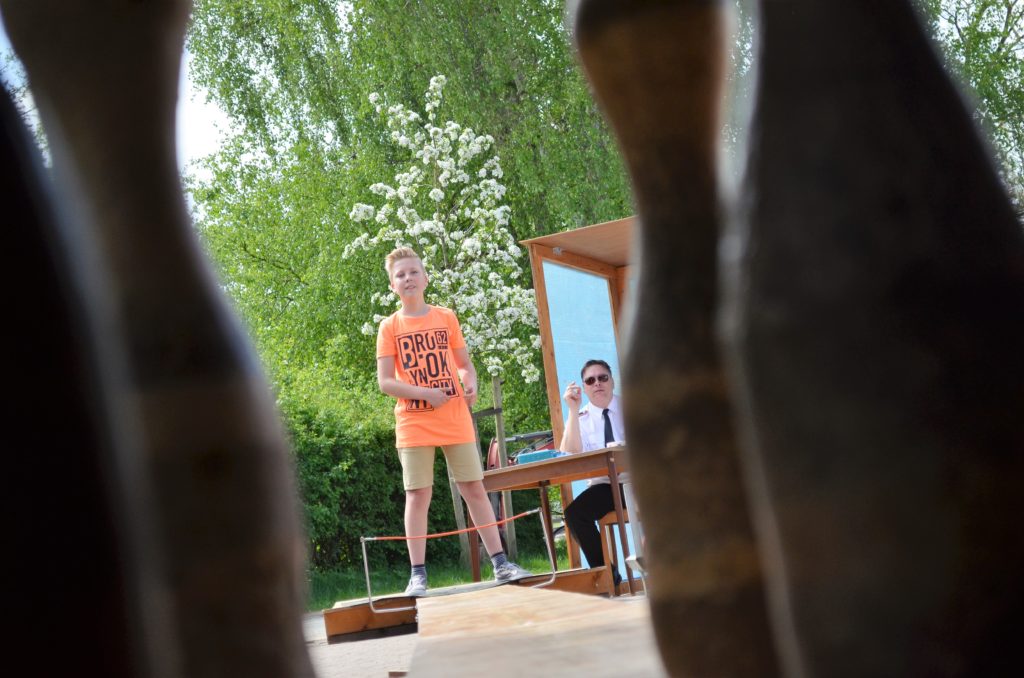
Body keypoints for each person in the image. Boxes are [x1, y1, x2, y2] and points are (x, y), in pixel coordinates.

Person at [376, 246, 530, 596]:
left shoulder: (446, 317)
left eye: (413, 272)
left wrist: (470, 381)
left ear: (425, 278)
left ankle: (501, 563)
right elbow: (385, 382)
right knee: (418, 494)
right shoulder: (389, 327)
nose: (408, 278)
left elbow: (464, 365)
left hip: (455, 417)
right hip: (413, 422)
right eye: (400, 275)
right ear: (392, 286)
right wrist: (424, 393)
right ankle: (417, 575)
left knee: (473, 488)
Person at [559, 359, 628, 585]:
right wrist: (572, 410)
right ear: (584, 388)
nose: (597, 383)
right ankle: (608, 573)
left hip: (638, 483)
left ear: (612, 381)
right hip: (604, 487)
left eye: (602, 378)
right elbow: (569, 452)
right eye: (590, 381)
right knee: (574, 514)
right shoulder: (580, 417)